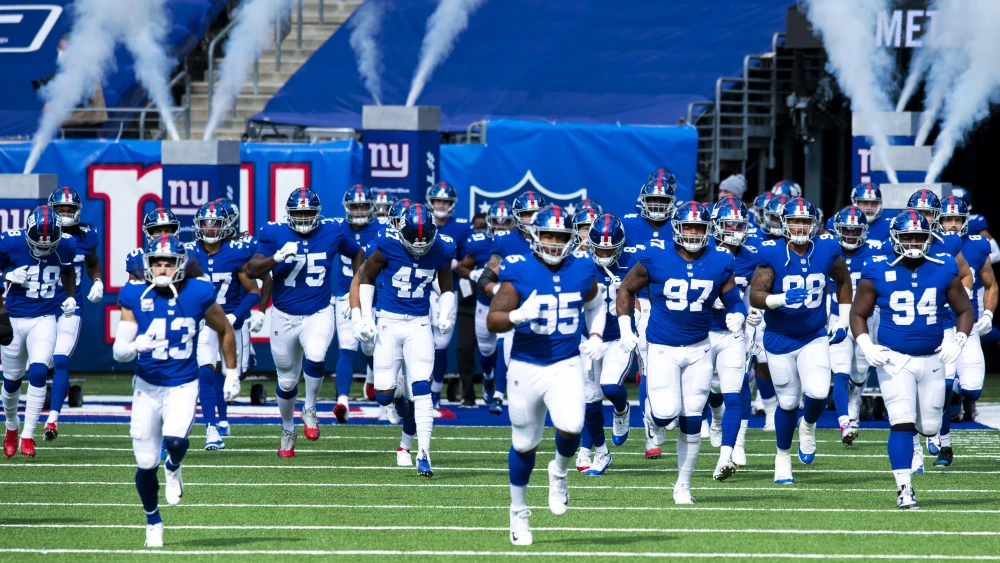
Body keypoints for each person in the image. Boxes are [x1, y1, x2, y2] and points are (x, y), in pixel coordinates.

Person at [486, 204, 605, 546]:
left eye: (561, 236)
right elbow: (493, 320)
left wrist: (595, 335)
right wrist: (517, 316)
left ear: (570, 239)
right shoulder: (519, 268)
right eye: (549, 235)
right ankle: (519, 512)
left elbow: (596, 304)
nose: (554, 242)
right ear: (535, 235)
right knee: (524, 444)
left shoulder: (582, 267)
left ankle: (559, 472)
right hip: (525, 365)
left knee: (571, 426)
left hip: (566, 362)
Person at [114, 235, 240, 546]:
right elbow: (119, 351)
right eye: (156, 262)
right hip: (146, 386)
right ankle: (153, 519)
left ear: (180, 265)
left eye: (168, 263)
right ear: (147, 265)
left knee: (175, 440)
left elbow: (224, 328)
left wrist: (232, 372)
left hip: (183, 383)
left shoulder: (198, 292)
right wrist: (133, 346)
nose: (161, 268)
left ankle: (174, 466)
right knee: (145, 465)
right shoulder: (134, 293)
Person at [617, 202, 746, 502]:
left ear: (707, 230)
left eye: (698, 227)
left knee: (690, 419)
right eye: (687, 226)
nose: (692, 232)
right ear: (676, 228)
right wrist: (626, 328)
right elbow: (625, 289)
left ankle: (683, 485)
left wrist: (737, 313)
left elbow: (733, 298)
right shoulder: (656, 255)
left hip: (700, 349)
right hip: (662, 347)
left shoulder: (720, 260)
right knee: (665, 414)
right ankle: (651, 416)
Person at [849, 211, 973, 509]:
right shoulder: (876, 268)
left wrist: (959, 339)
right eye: (908, 237)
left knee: (929, 426)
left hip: (932, 357)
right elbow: (857, 313)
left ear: (930, 237)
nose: (914, 242)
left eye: (919, 236)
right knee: (901, 423)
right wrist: (865, 343)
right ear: (895, 239)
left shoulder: (943, 265)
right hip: (895, 359)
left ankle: (925, 435)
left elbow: (965, 310)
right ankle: (904, 489)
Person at [246, 189, 363, 457]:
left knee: (317, 354)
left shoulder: (332, 230)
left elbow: (358, 253)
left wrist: (353, 288)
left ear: (317, 213)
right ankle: (288, 429)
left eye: (308, 212)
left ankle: (310, 407)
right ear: (288, 214)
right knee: (286, 381)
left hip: (318, 312)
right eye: (298, 213)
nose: (303, 217)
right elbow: (252, 270)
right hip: (284, 315)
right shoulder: (273, 233)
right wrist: (275, 258)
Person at [748, 197, 852, 485]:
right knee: (789, 402)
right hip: (780, 338)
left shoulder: (828, 248)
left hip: (813, 335)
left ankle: (808, 426)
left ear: (814, 224)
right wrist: (779, 299)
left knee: (818, 393)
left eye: (805, 221)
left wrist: (842, 320)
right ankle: (782, 458)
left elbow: (843, 281)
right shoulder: (772, 252)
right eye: (794, 221)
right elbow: (756, 294)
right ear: (784, 223)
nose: (799, 227)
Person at [350, 203, 456, 477]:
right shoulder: (387, 243)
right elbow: (366, 278)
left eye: (425, 240)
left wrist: (445, 313)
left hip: (419, 324)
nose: (420, 247)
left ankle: (423, 452)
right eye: (414, 240)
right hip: (388, 321)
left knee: (422, 387)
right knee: (383, 395)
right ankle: (398, 397)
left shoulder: (443, 248)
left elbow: (447, 286)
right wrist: (363, 316)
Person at [1, 206, 77, 458]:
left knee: (39, 370)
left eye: (49, 243)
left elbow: (67, 272)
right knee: (11, 381)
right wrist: (7, 275)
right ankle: (11, 427)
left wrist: (70, 297)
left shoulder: (66, 244)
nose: (44, 248)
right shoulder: (10, 242)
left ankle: (28, 435)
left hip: (44, 317)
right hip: (13, 317)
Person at [926, 195, 995, 466]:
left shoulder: (977, 246)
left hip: (969, 328)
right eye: (948, 219)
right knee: (941, 388)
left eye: (958, 219)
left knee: (972, 390)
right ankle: (944, 446)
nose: (953, 224)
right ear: (938, 220)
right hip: (941, 326)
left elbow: (991, 284)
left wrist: (988, 312)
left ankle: (956, 393)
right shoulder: (928, 245)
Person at [186, 202, 261, 450]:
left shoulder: (237, 251)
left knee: (231, 377)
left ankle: (224, 416)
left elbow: (253, 292)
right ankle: (211, 429)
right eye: (204, 224)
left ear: (226, 225)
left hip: (231, 322)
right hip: (205, 322)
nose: (209, 229)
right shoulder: (188, 252)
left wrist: (235, 316)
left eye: (214, 223)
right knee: (206, 370)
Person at [478, 191, 548, 414]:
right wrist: (501, 291)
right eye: (526, 214)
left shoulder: (552, 237)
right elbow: (486, 278)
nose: (531, 218)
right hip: (515, 308)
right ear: (517, 216)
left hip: (546, 308)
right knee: (506, 351)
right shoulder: (505, 241)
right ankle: (500, 394)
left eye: (535, 213)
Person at [622, 172, 676, 459]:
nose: (657, 205)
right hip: (642, 303)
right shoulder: (628, 225)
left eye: (662, 200)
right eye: (652, 199)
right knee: (646, 370)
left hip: (676, 307)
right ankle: (650, 433)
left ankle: (667, 412)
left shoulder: (682, 226)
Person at [43, 187, 103, 440]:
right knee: (32, 365)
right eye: (61, 209)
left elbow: (92, 262)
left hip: (70, 306)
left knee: (61, 360)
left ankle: (53, 420)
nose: (65, 214)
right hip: (39, 306)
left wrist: (97, 280)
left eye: (69, 210)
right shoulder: (40, 232)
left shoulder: (85, 236)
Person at [580, 213, 637, 476]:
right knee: (590, 400)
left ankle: (621, 408)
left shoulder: (632, 264)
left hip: (617, 337)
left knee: (610, 387)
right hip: (587, 338)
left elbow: (644, 299)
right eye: (599, 247)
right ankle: (601, 453)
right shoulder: (579, 264)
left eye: (610, 248)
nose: (604, 253)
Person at [707, 198, 760, 479]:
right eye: (729, 224)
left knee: (738, 384)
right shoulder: (703, 252)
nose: (735, 230)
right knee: (710, 387)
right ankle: (716, 417)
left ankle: (737, 443)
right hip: (703, 328)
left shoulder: (751, 258)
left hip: (737, 331)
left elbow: (755, 292)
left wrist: (755, 311)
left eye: (739, 224)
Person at [827, 205, 883, 445]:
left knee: (859, 372)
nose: (850, 236)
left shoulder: (876, 251)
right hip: (836, 317)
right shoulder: (827, 250)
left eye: (855, 231)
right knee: (840, 372)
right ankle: (843, 423)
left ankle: (856, 397)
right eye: (846, 231)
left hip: (865, 319)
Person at [332, 185, 384, 422]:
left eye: (364, 205)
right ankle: (343, 400)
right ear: (347, 208)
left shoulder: (382, 230)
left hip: (373, 294)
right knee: (347, 347)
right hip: (345, 294)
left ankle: (373, 378)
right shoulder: (336, 229)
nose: (360, 210)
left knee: (372, 347)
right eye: (355, 206)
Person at [426, 182, 472, 409]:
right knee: (421, 341)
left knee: (442, 343)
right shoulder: (423, 222)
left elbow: (468, 266)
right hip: (421, 290)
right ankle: (419, 388)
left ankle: (435, 390)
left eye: (445, 201)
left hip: (447, 290)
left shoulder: (462, 228)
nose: (441, 205)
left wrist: (452, 262)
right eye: (438, 201)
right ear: (431, 202)